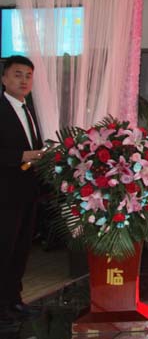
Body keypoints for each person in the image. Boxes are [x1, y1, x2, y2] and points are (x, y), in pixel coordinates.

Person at [0, 56, 45, 324]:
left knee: (20, 250)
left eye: (28, 75)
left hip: (27, 193)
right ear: (4, 78)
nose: (24, 80)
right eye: (18, 75)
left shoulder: (29, 110)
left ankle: (14, 300)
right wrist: (20, 155)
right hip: (5, 195)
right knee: (4, 250)